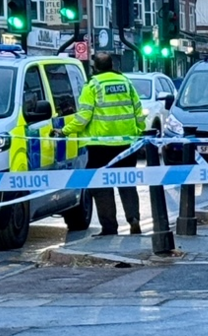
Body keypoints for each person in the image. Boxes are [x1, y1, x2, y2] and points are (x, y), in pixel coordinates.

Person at [54, 52, 144, 237]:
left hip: (100, 146)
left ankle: (110, 227)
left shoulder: (93, 85)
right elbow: (138, 110)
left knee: (100, 185)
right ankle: (133, 219)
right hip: (127, 143)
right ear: (112, 65)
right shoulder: (125, 82)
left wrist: (64, 131)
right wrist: (139, 132)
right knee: (127, 183)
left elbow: (83, 118)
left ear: (94, 67)